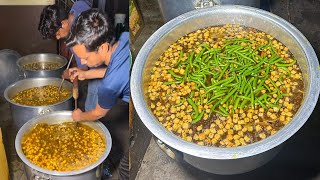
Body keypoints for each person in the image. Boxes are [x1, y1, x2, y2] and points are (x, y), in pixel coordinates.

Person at [66, 9, 129, 179]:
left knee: (127, 165)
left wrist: (80, 116)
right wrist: (85, 74)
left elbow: (98, 113)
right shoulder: (124, 38)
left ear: (102, 47)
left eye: (85, 58)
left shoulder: (108, 87)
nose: (83, 63)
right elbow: (114, 70)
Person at [38, 1, 107, 111]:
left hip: (100, 65)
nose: (57, 37)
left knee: (91, 106)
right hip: (103, 50)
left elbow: (84, 67)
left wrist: (72, 74)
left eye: (57, 33)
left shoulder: (76, 39)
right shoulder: (77, 6)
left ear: (64, 23)